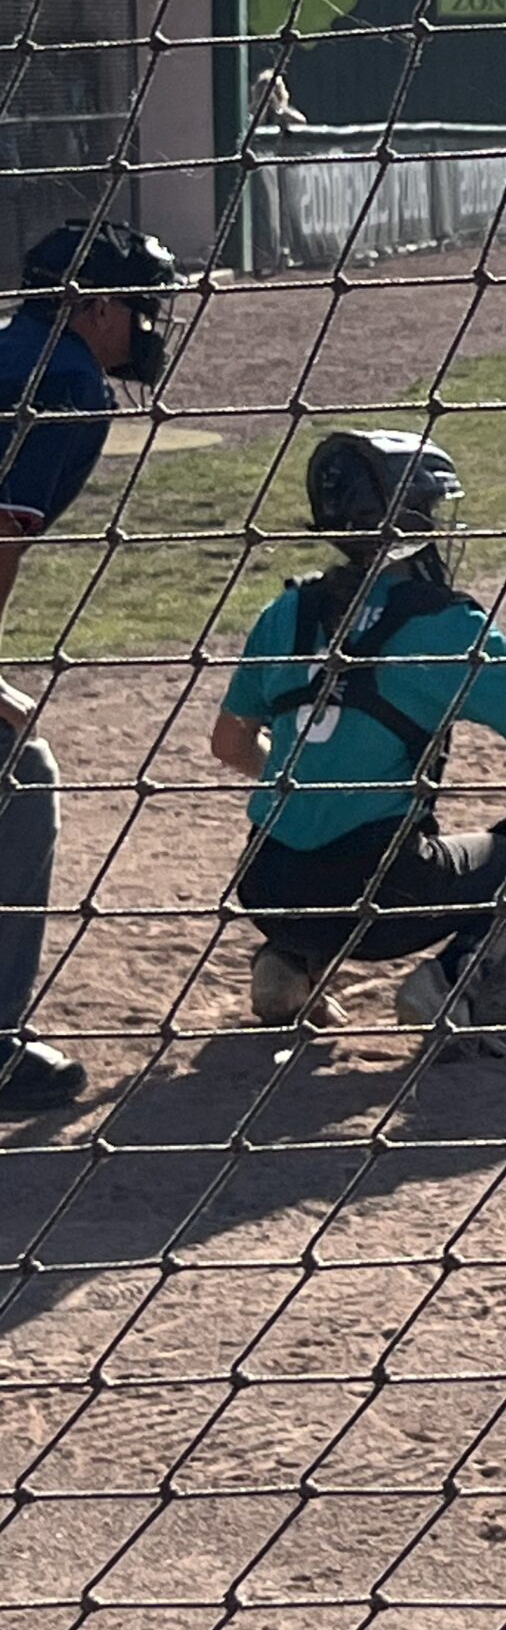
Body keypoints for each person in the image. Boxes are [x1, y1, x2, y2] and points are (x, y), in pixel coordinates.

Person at [211, 429, 506, 1037]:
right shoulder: (444, 624)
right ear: (412, 517)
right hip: (379, 899)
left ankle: (287, 962)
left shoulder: (284, 611)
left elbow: (229, 746)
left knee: (318, 855)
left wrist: (316, 784)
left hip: (266, 887)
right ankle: (446, 986)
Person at [0, 219, 181, 1113]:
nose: (147, 325)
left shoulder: (14, 353)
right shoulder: (66, 384)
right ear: (94, 305)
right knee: (20, 780)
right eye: (138, 307)